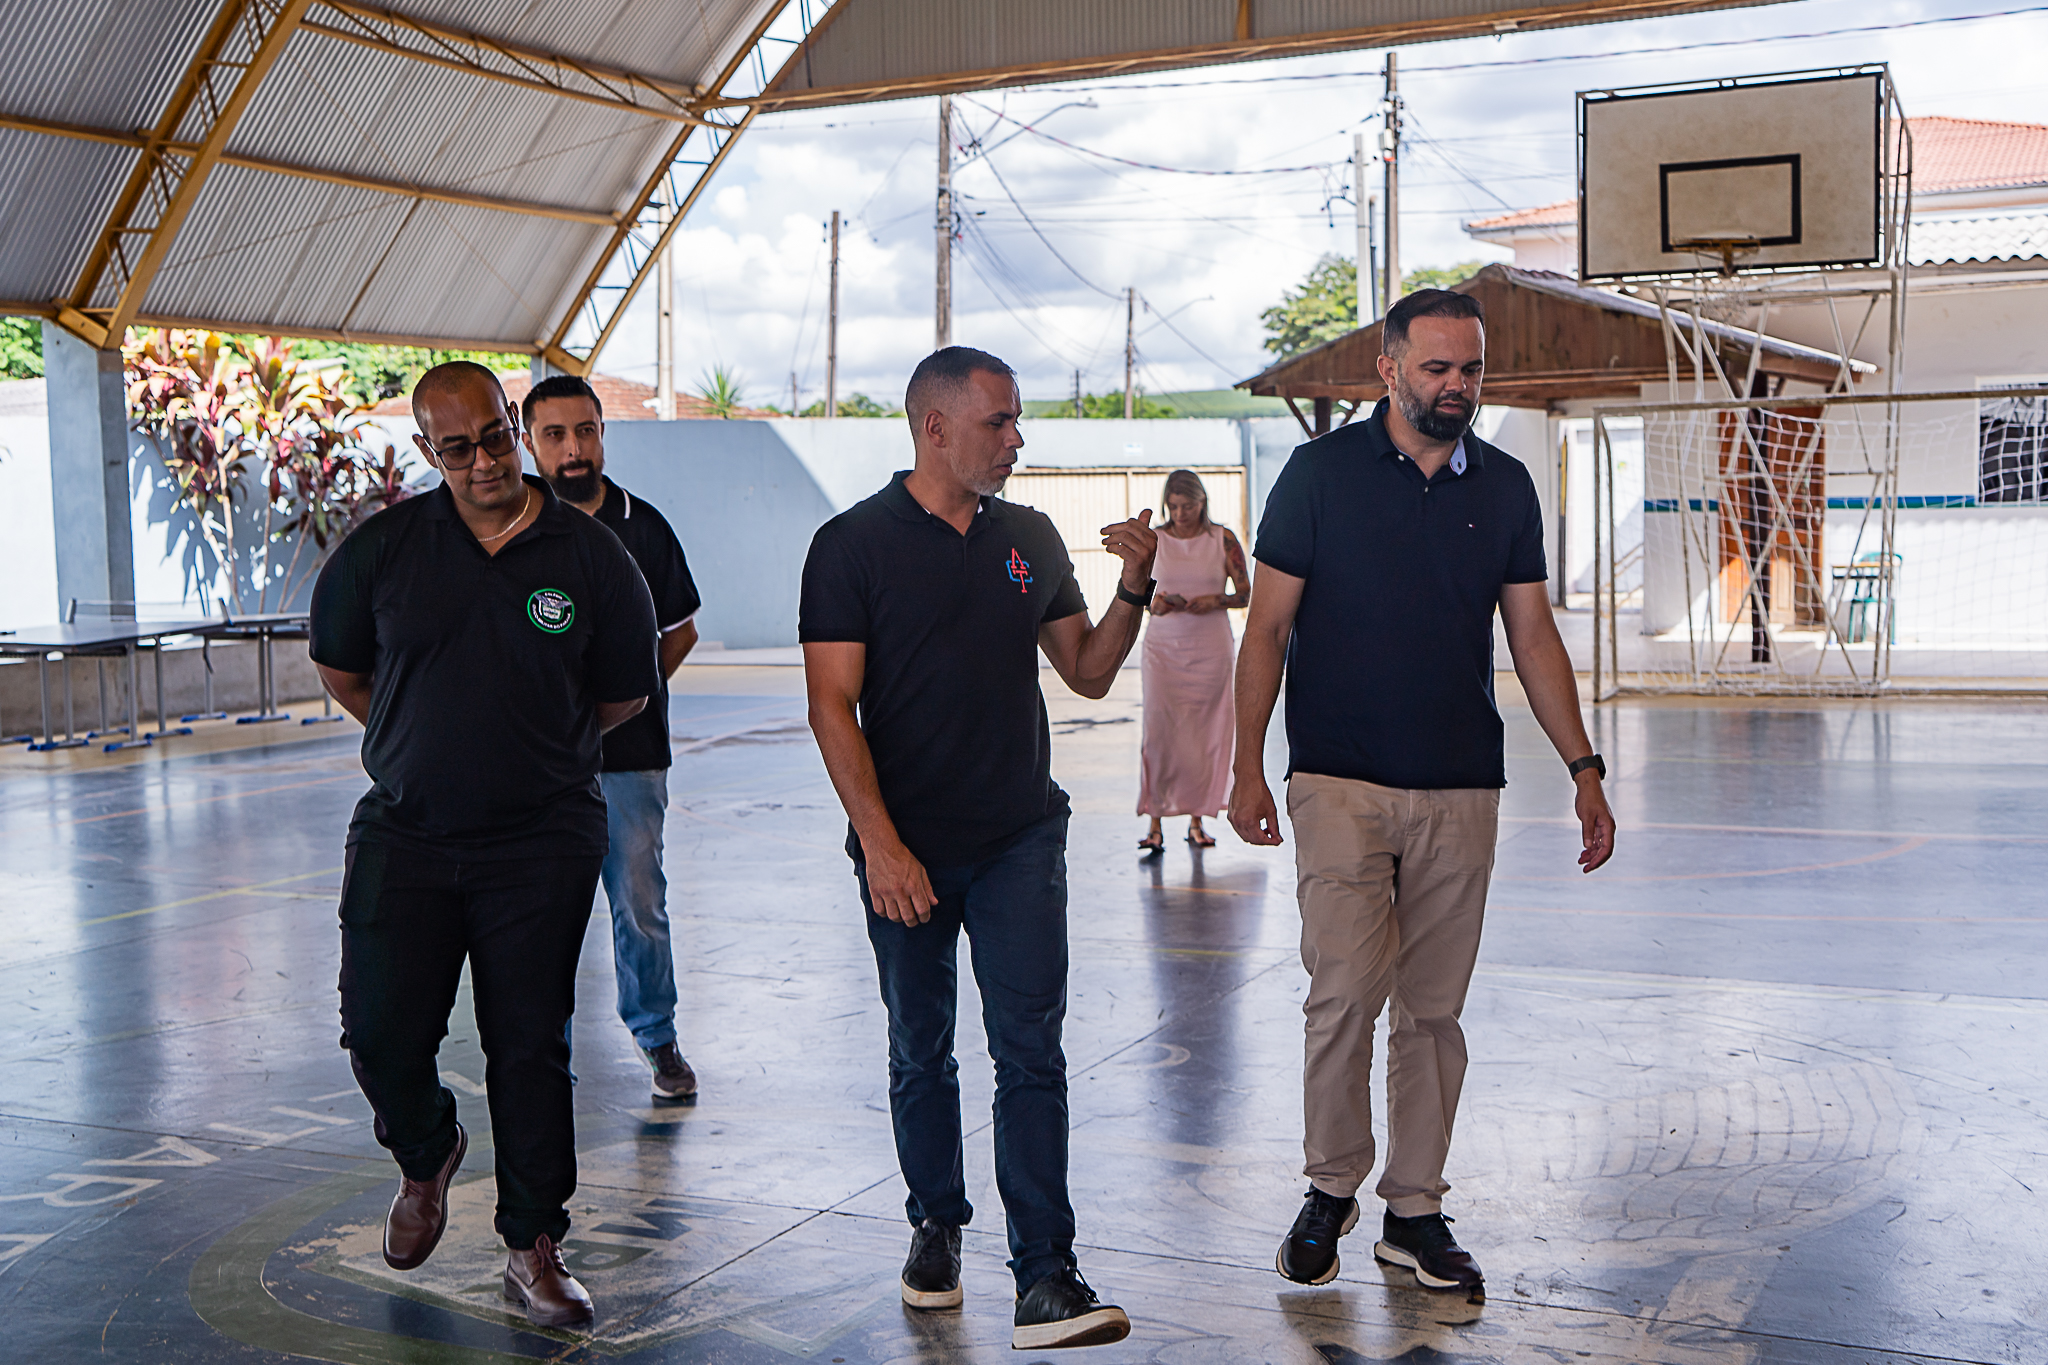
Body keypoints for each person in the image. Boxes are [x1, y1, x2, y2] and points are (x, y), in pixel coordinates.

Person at [1228, 290, 1617, 1294]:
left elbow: (1531, 636)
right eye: (1436, 367)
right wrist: (1243, 766)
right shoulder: (1318, 475)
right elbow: (1266, 628)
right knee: (1342, 995)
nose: (1456, 386)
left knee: (1433, 1013)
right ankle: (1329, 1188)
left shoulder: (1508, 486)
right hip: (1338, 779)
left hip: (1460, 786)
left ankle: (1414, 1210)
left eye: (1471, 369)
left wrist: (1583, 768)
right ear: (1389, 370)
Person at [799, 346, 1156, 1351]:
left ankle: (1045, 1274)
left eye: (1015, 420)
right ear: (935, 427)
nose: (1015, 439)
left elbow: (1088, 671)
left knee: (1030, 1053)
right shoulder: (851, 545)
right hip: (905, 850)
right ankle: (935, 1223)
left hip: (1017, 840)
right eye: (998, 421)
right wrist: (882, 847)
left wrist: (1132, 584)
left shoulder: (1027, 537)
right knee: (920, 1049)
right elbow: (830, 705)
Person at [309, 361, 659, 1329]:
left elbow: (623, 693)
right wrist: (421, 742)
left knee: (529, 1042)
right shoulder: (384, 550)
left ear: (515, 424)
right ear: (428, 451)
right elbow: (342, 667)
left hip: (541, 837)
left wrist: (526, 749)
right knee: (378, 1029)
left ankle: (532, 1245)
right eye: (457, 449)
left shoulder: (589, 557)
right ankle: (427, 1152)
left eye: (496, 438)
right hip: (408, 831)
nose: (484, 462)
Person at [522, 374, 703, 1104]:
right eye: (555, 435)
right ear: (530, 442)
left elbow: (680, 631)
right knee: (542, 913)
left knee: (639, 901)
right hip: (538, 769)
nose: (573, 448)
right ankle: (543, 1049)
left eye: (585, 431)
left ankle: (657, 1035)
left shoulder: (644, 527)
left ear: (602, 434)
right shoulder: (512, 528)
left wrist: (619, 704)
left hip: (631, 759)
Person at [1137, 469, 1248, 854]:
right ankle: (1154, 820)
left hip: (1209, 648)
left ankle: (1197, 819)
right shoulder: (1155, 540)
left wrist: (1216, 600)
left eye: (1188, 506)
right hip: (1164, 649)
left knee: (1206, 733)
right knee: (1159, 732)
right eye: (1173, 506)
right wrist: (1155, 604)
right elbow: (1137, 593)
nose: (1180, 514)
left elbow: (1246, 592)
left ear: (1202, 502)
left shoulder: (1222, 538)